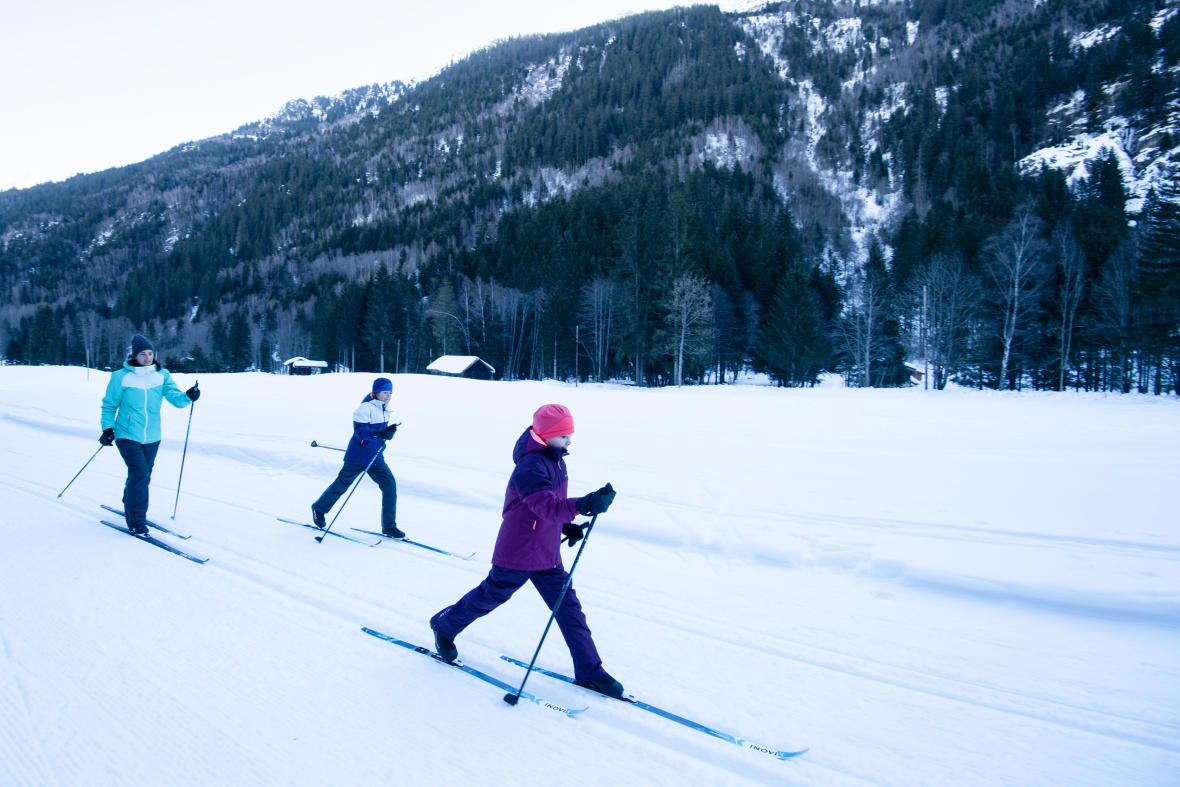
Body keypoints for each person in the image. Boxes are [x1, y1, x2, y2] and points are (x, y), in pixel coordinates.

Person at [429, 403, 622, 697]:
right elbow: (543, 505)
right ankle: (444, 626)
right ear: (547, 435)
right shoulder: (531, 465)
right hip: (519, 550)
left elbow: (551, 503)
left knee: (569, 608)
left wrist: (565, 525)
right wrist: (582, 506)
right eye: (564, 436)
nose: (569, 442)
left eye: (570, 435)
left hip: (546, 552)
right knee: (490, 597)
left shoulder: (556, 459)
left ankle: (590, 670)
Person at [99, 334, 200, 535]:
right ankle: (136, 520)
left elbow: (176, 399)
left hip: (153, 435)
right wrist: (107, 429)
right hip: (127, 434)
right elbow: (109, 405)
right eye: (143, 354)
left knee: (142, 475)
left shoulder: (161, 375)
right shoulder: (121, 377)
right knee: (140, 474)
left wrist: (188, 396)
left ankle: (130, 501)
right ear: (134, 355)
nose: (147, 357)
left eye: (150, 353)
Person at [311, 377, 403, 538]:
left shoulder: (385, 409)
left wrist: (388, 433)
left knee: (390, 485)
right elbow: (360, 433)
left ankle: (389, 526)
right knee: (342, 484)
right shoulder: (364, 409)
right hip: (358, 456)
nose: (388, 396)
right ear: (376, 393)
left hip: (376, 457)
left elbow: (380, 434)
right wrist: (379, 433)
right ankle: (319, 509)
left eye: (390, 393)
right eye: (384, 392)